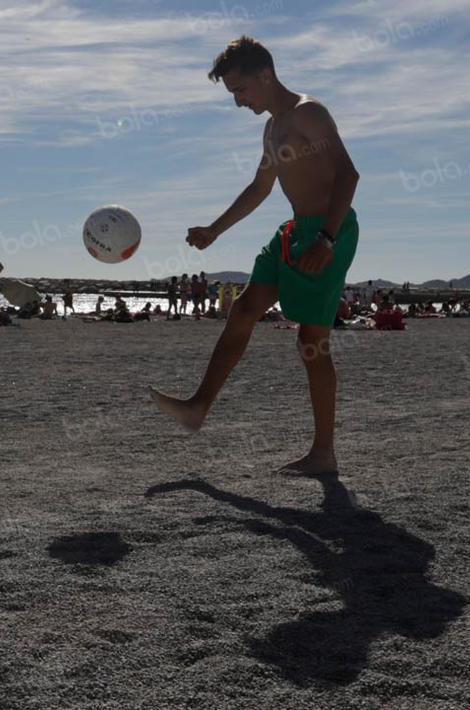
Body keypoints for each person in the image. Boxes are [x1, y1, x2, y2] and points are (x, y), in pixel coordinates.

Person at [151, 36, 361, 476]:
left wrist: (326, 238)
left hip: (330, 231)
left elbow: (348, 172)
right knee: (244, 308)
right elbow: (260, 188)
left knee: (311, 343)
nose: (238, 101)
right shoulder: (272, 128)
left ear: (265, 75)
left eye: (240, 90)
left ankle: (324, 453)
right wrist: (214, 229)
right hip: (293, 231)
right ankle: (198, 407)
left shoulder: (309, 113)